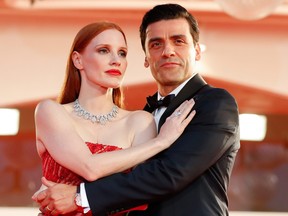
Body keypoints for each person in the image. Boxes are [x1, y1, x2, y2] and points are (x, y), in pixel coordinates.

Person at [34, 3, 240, 216]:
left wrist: (79, 197)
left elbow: (169, 173)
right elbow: (128, 182)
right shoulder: (145, 116)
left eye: (178, 41)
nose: (168, 51)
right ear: (145, 58)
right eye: (156, 44)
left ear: (196, 51)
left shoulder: (215, 103)